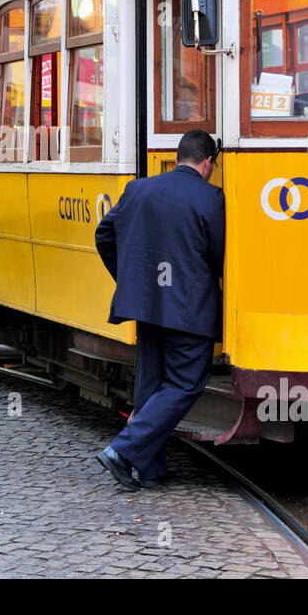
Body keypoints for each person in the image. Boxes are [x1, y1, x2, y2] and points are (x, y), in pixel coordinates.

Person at [94, 129, 225, 490]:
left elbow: (104, 235)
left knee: (150, 386)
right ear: (208, 162)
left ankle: (150, 470)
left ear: (178, 156)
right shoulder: (212, 199)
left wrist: (132, 279)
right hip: (189, 310)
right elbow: (220, 257)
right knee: (185, 383)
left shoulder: (139, 189)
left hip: (147, 305)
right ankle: (122, 451)